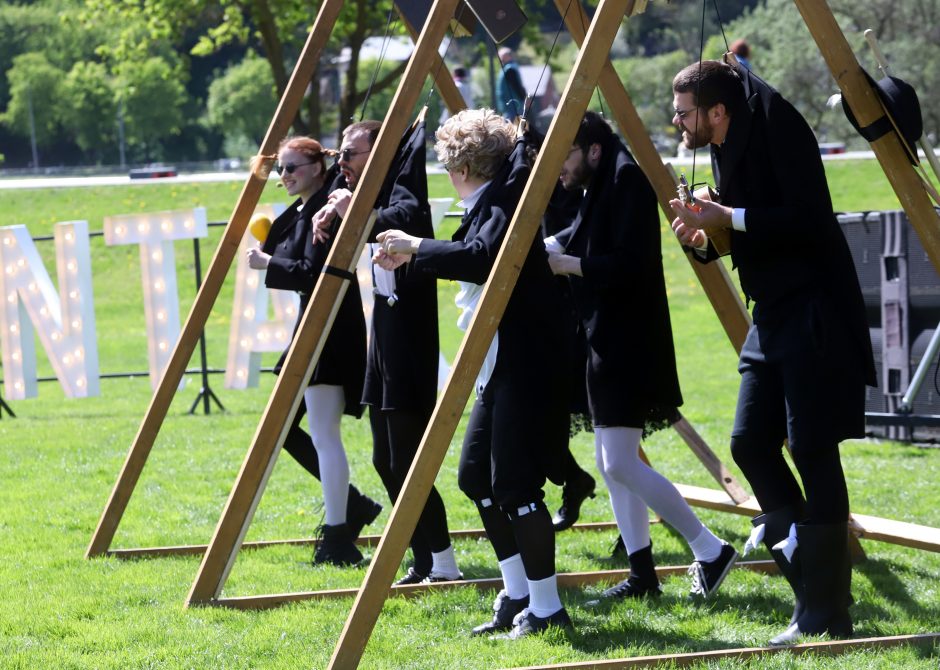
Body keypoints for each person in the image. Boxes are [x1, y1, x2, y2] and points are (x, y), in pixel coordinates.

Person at [669, 60, 876, 644]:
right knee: (750, 443)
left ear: (716, 112)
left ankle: (826, 613)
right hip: (771, 313)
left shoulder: (779, 126)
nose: (676, 121)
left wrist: (726, 215)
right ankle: (811, 586)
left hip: (813, 309)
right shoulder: (722, 143)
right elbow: (745, 232)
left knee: (812, 449)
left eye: (684, 111)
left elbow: (806, 219)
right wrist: (706, 240)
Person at [374, 109, 572, 638]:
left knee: (515, 486)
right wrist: (413, 258)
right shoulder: (493, 199)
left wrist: (414, 246)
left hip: (524, 361)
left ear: (460, 166)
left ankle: (548, 608)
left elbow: (481, 258)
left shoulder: (502, 202)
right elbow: (469, 256)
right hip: (499, 359)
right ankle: (517, 593)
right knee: (475, 479)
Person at [546, 111, 738, 601]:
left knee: (618, 464)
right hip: (604, 337)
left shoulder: (625, 177)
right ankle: (642, 574)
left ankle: (709, 548)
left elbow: (632, 264)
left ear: (591, 149)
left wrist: (567, 264)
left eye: (564, 157)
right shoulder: (600, 178)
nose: (558, 170)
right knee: (613, 460)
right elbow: (590, 239)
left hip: (627, 341)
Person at [312, 119, 461, 584]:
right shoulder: (371, 189)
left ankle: (443, 562)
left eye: (350, 155)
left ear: (380, 155)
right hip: (385, 335)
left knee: (405, 461)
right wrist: (333, 206)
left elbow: (408, 217)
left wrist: (351, 205)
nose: (342, 165)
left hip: (409, 339)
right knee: (383, 460)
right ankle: (426, 558)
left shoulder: (403, 192)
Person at [247, 136, 367, 566]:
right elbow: (278, 238)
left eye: (292, 167)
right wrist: (265, 173)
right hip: (314, 327)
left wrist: (268, 265)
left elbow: (318, 274)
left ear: (318, 167)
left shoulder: (328, 210)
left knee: (321, 431)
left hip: (331, 326)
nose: (285, 176)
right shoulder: (303, 209)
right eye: (281, 169)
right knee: (284, 428)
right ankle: (349, 509)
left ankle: (339, 535)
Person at [496, 48, 526, 121]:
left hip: (513, 107)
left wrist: (524, 99)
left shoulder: (510, 69)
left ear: (509, 56)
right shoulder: (508, 67)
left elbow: (516, 86)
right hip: (510, 106)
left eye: (502, 56)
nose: (500, 58)